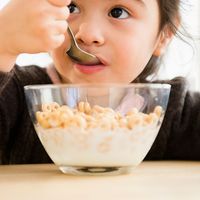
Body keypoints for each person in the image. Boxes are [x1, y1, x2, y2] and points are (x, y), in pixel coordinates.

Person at [0, 0, 200, 164]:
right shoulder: (15, 94)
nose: (87, 35)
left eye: (118, 12)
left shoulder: (171, 113)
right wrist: (4, 43)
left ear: (164, 35)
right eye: (71, 8)